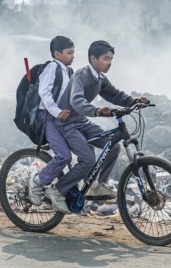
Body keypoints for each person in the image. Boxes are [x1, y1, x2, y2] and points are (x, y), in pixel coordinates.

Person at [50, 40, 149, 203]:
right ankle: (57, 189)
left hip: (82, 122)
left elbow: (115, 95)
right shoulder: (82, 75)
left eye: (111, 59)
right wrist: (96, 111)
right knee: (88, 159)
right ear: (93, 59)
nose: (109, 63)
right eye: (106, 59)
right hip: (67, 124)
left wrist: (134, 101)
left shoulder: (100, 79)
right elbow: (76, 100)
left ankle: (98, 185)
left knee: (113, 146)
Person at [28, 35, 75, 213]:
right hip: (48, 117)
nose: (73, 56)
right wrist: (57, 112)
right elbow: (44, 94)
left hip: (63, 118)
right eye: (69, 53)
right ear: (57, 53)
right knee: (64, 156)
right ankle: (38, 181)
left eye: (73, 52)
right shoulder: (52, 68)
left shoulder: (68, 71)